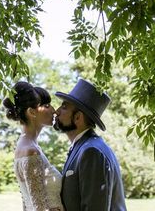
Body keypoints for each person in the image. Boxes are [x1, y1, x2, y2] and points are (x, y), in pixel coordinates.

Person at [54, 78, 127, 211]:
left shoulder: (92, 152)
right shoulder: (82, 147)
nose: (56, 111)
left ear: (78, 117)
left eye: (64, 107)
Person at [3, 81, 64, 211]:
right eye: (47, 106)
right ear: (32, 112)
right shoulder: (31, 151)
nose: (54, 110)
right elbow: (39, 207)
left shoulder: (26, 145)